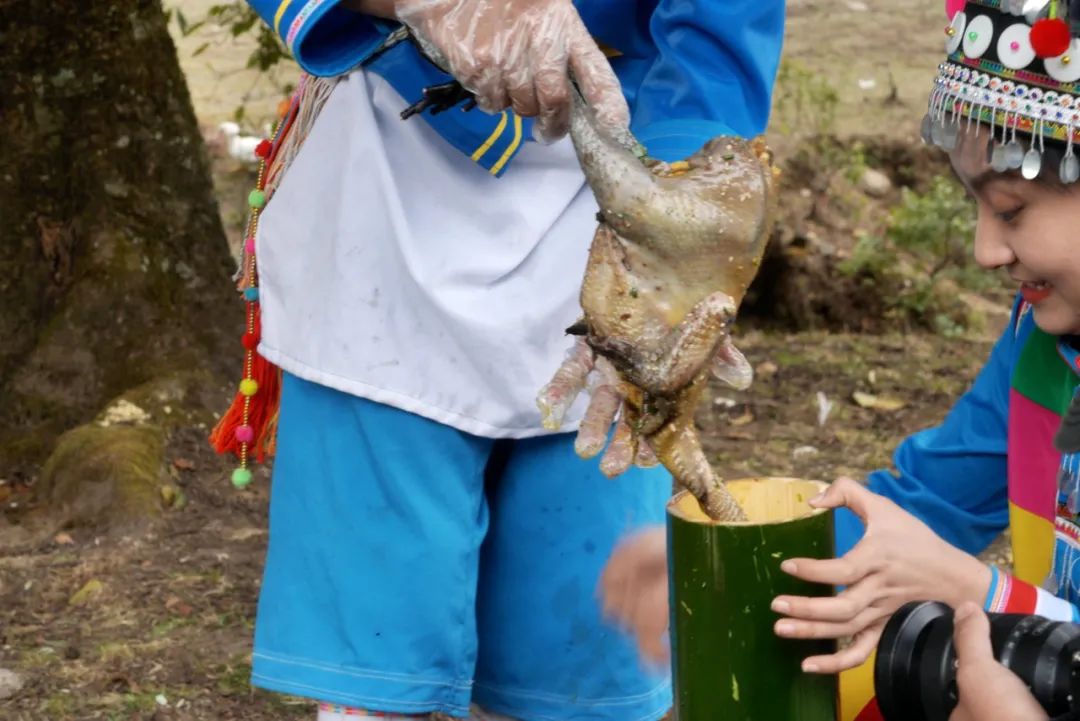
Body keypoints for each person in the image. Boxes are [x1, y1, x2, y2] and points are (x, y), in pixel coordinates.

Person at [217, 0, 784, 719]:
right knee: (379, 686)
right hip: (382, 203)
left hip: (630, 209)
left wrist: (682, 238)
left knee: (583, 677)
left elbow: (718, 34)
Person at [599, 1, 1080, 719]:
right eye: (974, 208)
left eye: (1010, 210)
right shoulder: (1040, 346)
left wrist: (972, 591)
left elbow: (947, 566)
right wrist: (740, 563)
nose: (985, 250)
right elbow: (929, 500)